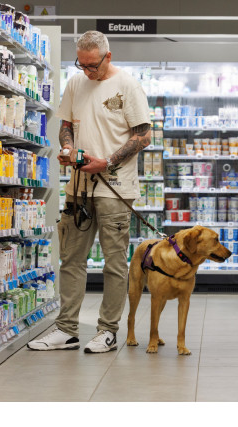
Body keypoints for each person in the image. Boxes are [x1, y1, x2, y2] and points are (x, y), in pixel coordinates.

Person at [28, 31, 151, 353]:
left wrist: (107, 162)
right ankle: (66, 329)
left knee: (114, 264)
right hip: (78, 188)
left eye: (92, 66)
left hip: (115, 189)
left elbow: (143, 136)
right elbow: (65, 123)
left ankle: (107, 331)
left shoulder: (128, 86)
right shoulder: (75, 83)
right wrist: (68, 148)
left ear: (107, 57)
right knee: (71, 259)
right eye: (80, 65)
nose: (87, 72)